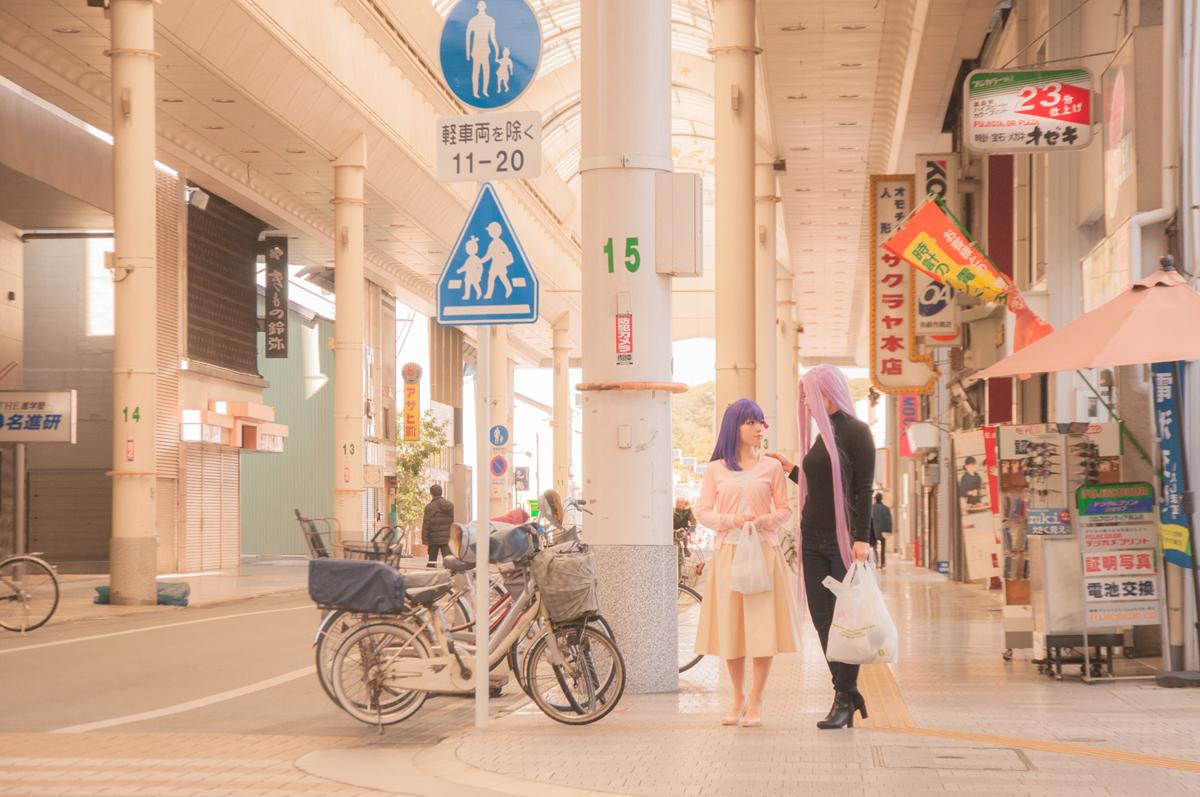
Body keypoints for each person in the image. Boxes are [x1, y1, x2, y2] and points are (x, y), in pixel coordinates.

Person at [765, 364, 873, 730]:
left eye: (808, 395)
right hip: (812, 539)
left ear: (826, 392)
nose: (805, 403)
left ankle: (844, 697)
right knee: (822, 620)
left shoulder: (857, 432)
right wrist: (792, 469)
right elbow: (824, 484)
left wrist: (861, 538)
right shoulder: (821, 437)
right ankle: (846, 691)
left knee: (848, 621)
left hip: (843, 542)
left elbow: (862, 489)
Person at [694, 398, 797, 728]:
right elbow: (704, 512)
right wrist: (731, 520)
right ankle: (737, 695)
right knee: (732, 628)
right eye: (750, 422)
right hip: (728, 554)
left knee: (761, 626)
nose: (758, 429)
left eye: (760, 422)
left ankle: (756, 698)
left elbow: (785, 509)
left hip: (763, 554)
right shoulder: (715, 470)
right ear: (733, 427)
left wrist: (762, 521)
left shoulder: (771, 467)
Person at [421, 484, 455, 568]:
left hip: (433, 539)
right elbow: (454, 521)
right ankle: (449, 576)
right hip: (447, 538)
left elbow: (426, 524)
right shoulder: (450, 505)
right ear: (441, 492)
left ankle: (431, 577)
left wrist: (425, 539)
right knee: (448, 561)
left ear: (431, 493)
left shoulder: (429, 507)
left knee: (432, 561)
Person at [870, 493, 893, 570]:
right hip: (883, 531)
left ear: (875, 499)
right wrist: (889, 530)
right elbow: (889, 520)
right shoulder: (886, 508)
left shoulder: (872, 508)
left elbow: (870, 520)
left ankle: (876, 562)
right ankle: (882, 563)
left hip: (874, 531)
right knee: (883, 547)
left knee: (874, 547)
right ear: (881, 498)